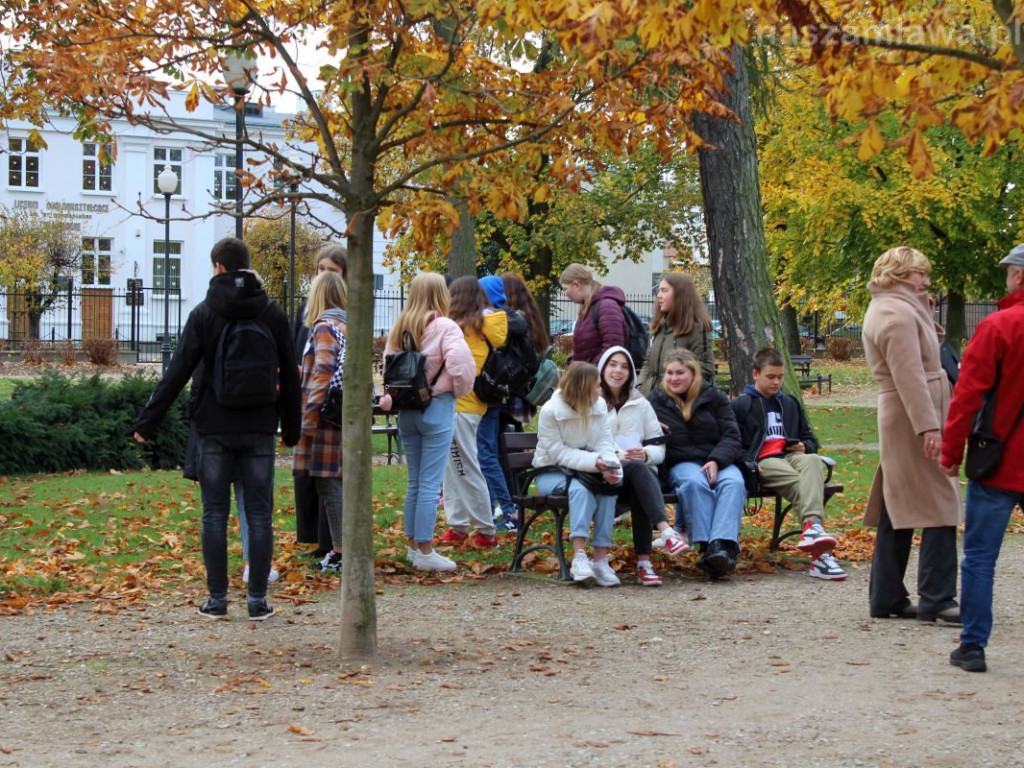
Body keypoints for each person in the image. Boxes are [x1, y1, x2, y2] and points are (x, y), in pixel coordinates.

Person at [134, 236, 301, 621]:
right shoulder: (272, 312)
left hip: (214, 425)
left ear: (219, 268)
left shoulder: (205, 313)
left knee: (214, 514)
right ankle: (257, 601)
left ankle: (217, 599)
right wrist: (292, 429)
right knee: (258, 514)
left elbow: (177, 371)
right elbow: (290, 377)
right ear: (247, 265)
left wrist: (147, 423)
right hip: (260, 425)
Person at [861, 246, 962, 623]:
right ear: (902, 273)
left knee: (897, 504)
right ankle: (937, 596)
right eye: (921, 274)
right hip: (912, 414)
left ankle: (886, 596)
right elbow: (910, 375)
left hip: (907, 412)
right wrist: (929, 426)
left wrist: (925, 308)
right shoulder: (894, 314)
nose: (926, 281)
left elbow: (926, 353)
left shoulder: (897, 308)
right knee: (940, 501)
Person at [941, 246, 1024, 672]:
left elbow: (967, 397)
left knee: (980, 558)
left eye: (1010, 273)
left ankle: (973, 646)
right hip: (1006, 459)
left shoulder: (998, 327)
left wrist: (951, 452)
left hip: (1001, 461)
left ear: (1019, 278)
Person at [380, 272, 475, 572]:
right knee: (431, 484)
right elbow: (461, 367)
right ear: (440, 295)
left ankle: (412, 546)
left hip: (408, 411)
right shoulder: (446, 327)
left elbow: (387, 368)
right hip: (437, 408)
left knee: (415, 482)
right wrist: (449, 388)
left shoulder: (399, 328)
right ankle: (425, 549)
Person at [732, 347, 846, 581]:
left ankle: (812, 530)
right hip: (764, 461)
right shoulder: (742, 405)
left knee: (813, 460)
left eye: (780, 377)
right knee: (804, 484)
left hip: (791, 456)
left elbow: (811, 439)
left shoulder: (790, 403)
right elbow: (732, 444)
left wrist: (805, 447)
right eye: (770, 377)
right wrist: (749, 465)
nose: (776, 382)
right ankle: (819, 550)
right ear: (756, 374)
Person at [598, 346, 690, 586]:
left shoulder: (641, 404)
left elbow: (659, 447)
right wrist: (612, 455)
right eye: (613, 364)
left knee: (640, 473)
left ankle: (644, 564)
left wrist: (645, 454)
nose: (618, 371)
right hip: (600, 473)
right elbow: (583, 440)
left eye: (624, 366)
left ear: (631, 373)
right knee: (639, 474)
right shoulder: (591, 400)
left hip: (635, 476)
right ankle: (665, 533)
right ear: (603, 368)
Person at [649, 349, 744, 579]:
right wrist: (655, 432)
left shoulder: (714, 398)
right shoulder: (655, 401)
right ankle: (709, 547)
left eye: (680, 373)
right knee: (694, 482)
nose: (673, 378)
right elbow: (643, 437)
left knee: (734, 482)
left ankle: (719, 545)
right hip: (681, 461)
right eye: (669, 373)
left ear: (693, 374)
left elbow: (732, 435)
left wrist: (716, 460)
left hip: (716, 458)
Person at [533, 361, 623, 586]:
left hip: (588, 470)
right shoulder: (550, 411)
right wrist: (595, 463)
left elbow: (604, 441)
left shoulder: (599, 405)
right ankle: (580, 555)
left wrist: (609, 465)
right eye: (596, 386)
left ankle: (601, 559)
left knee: (607, 490)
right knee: (582, 488)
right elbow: (557, 453)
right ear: (583, 388)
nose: (600, 391)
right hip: (551, 471)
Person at [437, 276, 506, 548]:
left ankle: (485, 529)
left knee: (463, 465)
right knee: (452, 468)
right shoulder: (480, 325)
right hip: (468, 403)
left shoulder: (463, 327)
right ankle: (458, 524)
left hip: (461, 404)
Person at [292, 245, 348, 561]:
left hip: (325, 419)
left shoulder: (324, 326)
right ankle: (340, 549)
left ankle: (339, 552)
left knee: (329, 487)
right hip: (337, 416)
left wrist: (309, 418)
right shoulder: (345, 323)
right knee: (333, 484)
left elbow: (323, 373)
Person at [476, 275, 525, 531]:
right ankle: (494, 507)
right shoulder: (510, 319)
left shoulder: (491, 321)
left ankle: (508, 510)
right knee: (488, 452)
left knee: (486, 453)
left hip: (487, 392)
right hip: (498, 392)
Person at [637, 273, 716, 393]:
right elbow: (648, 362)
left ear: (680, 295)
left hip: (675, 403)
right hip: (650, 400)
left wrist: (672, 388)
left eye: (664, 291)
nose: (659, 296)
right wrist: (640, 386)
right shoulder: (659, 327)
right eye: (659, 291)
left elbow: (705, 368)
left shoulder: (697, 328)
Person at [500, 272, 550, 435]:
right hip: (524, 387)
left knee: (503, 433)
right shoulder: (531, 316)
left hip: (512, 387)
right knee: (513, 432)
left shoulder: (515, 320)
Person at [560, 263, 628, 365]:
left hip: (596, 378)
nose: (565, 294)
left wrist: (589, 370)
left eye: (565, 289)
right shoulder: (588, 308)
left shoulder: (606, 306)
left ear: (576, 285)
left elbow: (613, 349)